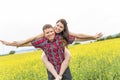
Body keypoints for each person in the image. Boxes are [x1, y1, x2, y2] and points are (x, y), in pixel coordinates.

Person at [12, 18, 103, 78]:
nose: (58, 28)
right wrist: (20, 43)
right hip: (48, 48)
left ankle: (59, 75)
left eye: (61, 27)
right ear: (54, 24)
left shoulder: (64, 35)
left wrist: (93, 37)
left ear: (63, 29)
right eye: (57, 25)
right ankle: (57, 76)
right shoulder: (49, 31)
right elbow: (32, 40)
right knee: (43, 57)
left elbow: (78, 36)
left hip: (61, 46)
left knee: (68, 55)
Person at [0, 24, 77, 80]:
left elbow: (77, 38)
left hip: (64, 69)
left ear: (54, 31)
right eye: (47, 32)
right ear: (44, 34)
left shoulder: (60, 38)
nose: (50, 33)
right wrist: (9, 43)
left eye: (51, 31)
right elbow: (25, 43)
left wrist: (89, 37)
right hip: (52, 70)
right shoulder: (42, 41)